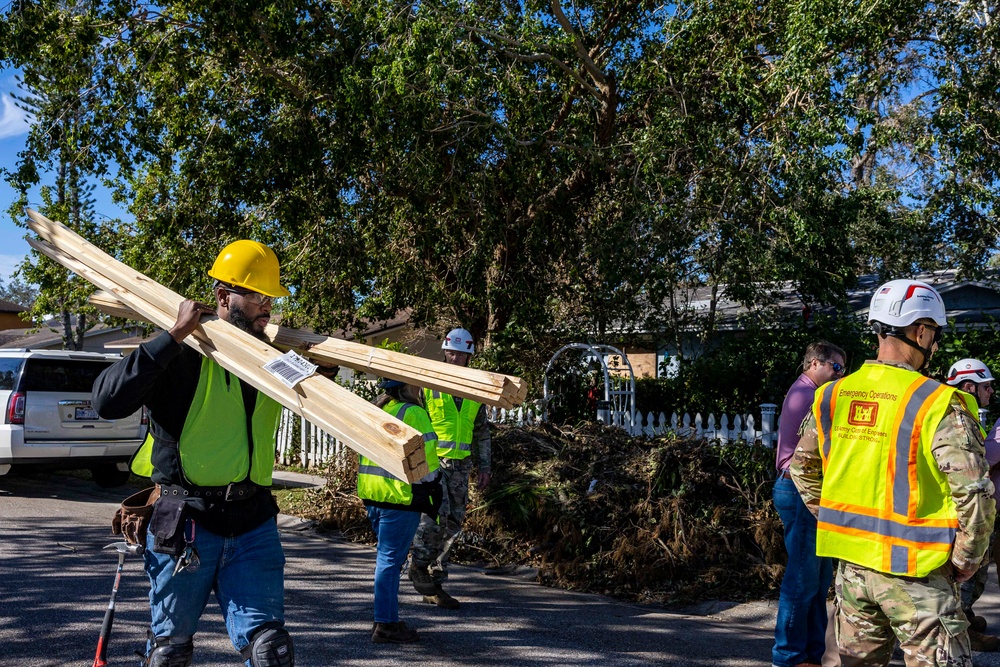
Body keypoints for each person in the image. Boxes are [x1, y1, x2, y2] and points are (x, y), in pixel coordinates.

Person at [92, 240, 295, 667]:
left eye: (269, 298)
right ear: (224, 297)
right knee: (170, 652)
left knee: (272, 651)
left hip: (253, 522)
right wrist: (171, 336)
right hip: (187, 524)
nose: (267, 307)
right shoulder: (181, 353)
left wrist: (322, 372)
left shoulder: (269, 361)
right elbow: (107, 402)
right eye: (257, 296)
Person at [790, 279, 996, 667]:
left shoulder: (832, 395)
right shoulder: (938, 402)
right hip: (919, 573)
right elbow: (975, 492)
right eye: (934, 333)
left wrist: (835, 517)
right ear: (921, 331)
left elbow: (801, 469)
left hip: (852, 573)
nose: (934, 344)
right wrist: (968, 558)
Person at [772, 341, 846, 667]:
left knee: (817, 581)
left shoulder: (807, 392)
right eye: (837, 368)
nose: (840, 375)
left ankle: (812, 655)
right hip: (800, 489)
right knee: (802, 580)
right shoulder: (808, 396)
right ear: (815, 363)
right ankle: (787, 657)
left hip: (808, 490)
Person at [408, 327, 492, 609]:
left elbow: (481, 431)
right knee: (435, 518)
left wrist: (485, 467)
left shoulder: (476, 388)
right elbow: (414, 421)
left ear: (469, 356)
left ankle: (435, 582)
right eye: (451, 353)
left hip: (461, 466)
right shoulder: (430, 383)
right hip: (434, 463)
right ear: (445, 352)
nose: (455, 359)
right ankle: (418, 565)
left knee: (454, 524)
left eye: (461, 354)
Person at [359, 379, 442, 643]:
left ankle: (386, 617)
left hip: (374, 495)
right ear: (410, 386)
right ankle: (385, 625)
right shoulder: (413, 412)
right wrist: (433, 487)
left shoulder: (380, 410)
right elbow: (427, 457)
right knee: (389, 563)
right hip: (400, 498)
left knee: (387, 561)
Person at [946, 358, 1000, 651]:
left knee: (971, 572)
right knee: (966, 572)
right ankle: (962, 631)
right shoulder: (957, 418)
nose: (991, 391)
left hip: (962, 508)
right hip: (962, 511)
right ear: (969, 387)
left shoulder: (960, 413)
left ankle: (964, 618)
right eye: (987, 386)